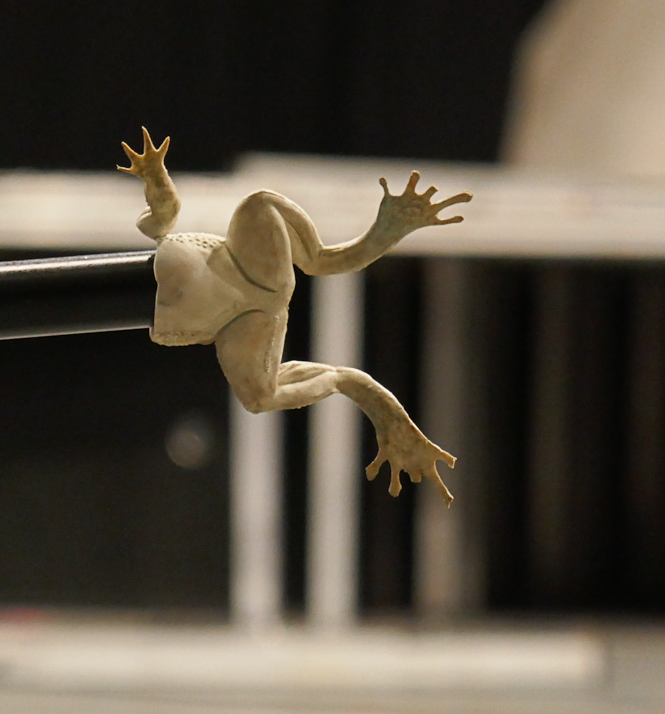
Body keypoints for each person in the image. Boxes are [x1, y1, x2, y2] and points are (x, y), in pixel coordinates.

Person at [120, 128, 471, 505]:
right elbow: (165, 213)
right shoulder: (173, 252)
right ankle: (350, 383)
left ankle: (348, 383)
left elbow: (164, 213)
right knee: (262, 392)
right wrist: (156, 176)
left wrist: (156, 175)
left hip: (243, 280)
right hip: (240, 315)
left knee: (261, 393)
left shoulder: (183, 243)